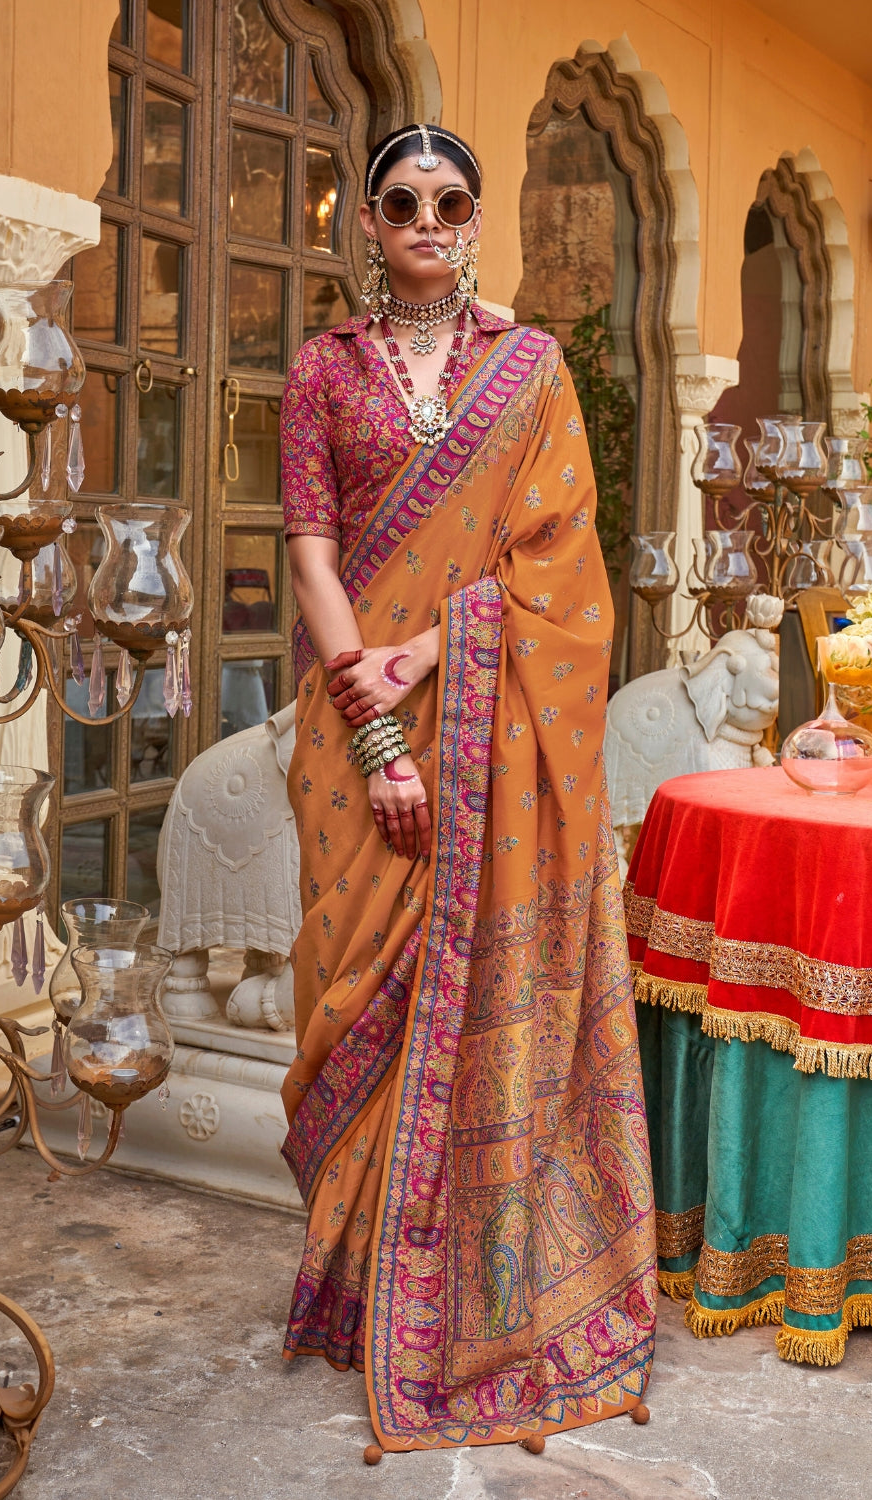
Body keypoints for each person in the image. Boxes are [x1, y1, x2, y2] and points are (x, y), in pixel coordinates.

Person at [279, 123, 656, 1456]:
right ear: (366, 226)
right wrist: (369, 718)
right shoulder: (322, 371)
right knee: (353, 980)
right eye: (402, 203)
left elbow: (564, 571)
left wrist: (435, 652)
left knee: (477, 982)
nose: (427, 221)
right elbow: (314, 555)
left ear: (476, 218)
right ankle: (360, 1289)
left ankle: (463, 1301)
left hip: (480, 713)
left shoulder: (532, 369)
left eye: (449, 201)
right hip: (354, 717)